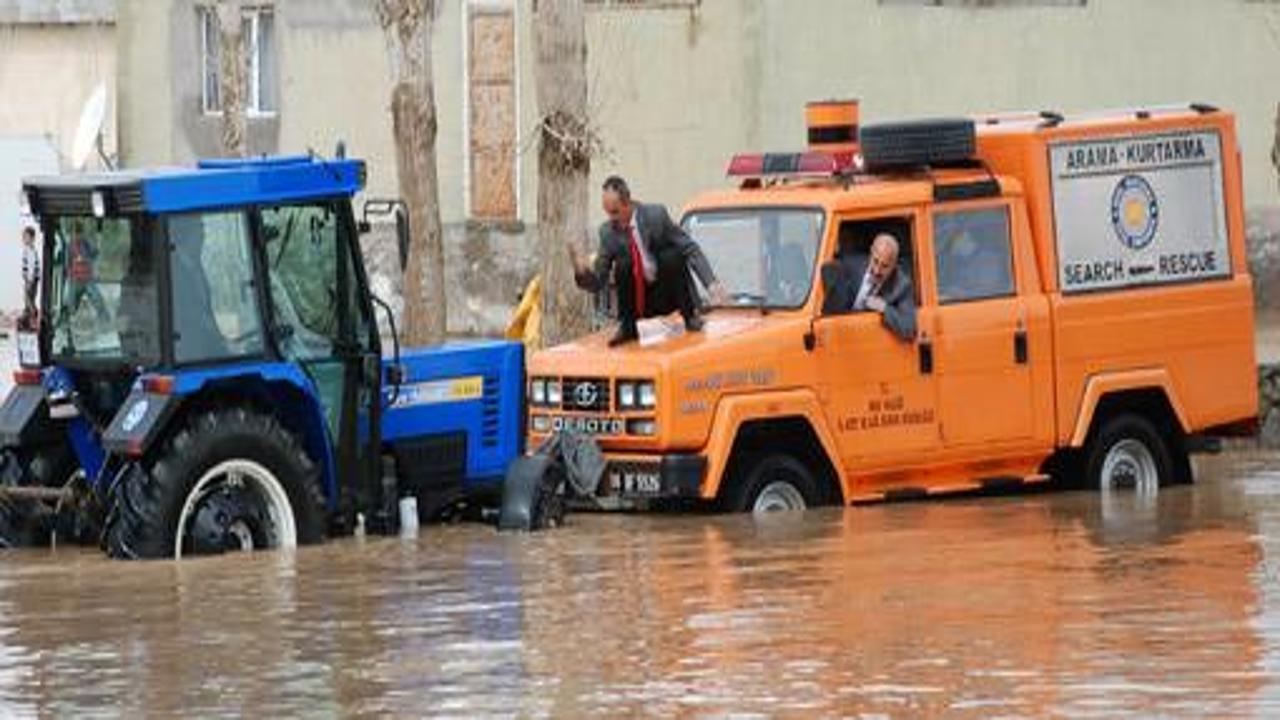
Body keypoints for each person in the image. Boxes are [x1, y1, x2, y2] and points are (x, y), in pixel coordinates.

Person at [570, 176, 729, 346]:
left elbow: (689, 248)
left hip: (666, 293)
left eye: (615, 212)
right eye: (607, 212)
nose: (611, 218)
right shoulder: (608, 232)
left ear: (627, 203)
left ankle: (689, 316)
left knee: (672, 255)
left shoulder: (656, 216)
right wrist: (582, 273)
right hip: (639, 300)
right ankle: (628, 327)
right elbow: (599, 280)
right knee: (623, 265)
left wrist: (711, 284)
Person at [821, 232, 916, 342]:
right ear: (871, 253)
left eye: (884, 266)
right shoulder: (848, 266)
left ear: (894, 265)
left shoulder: (902, 285)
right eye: (875, 261)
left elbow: (909, 329)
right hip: (844, 341)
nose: (877, 270)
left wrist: (884, 308)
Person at [19, 226, 39, 330]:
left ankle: (33, 317)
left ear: (31, 238)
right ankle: (28, 320)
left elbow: (31, 268)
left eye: (25, 236)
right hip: (30, 279)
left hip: (30, 280)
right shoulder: (29, 250)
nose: (23, 238)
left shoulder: (30, 251)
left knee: (28, 299)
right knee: (28, 300)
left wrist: (29, 280)